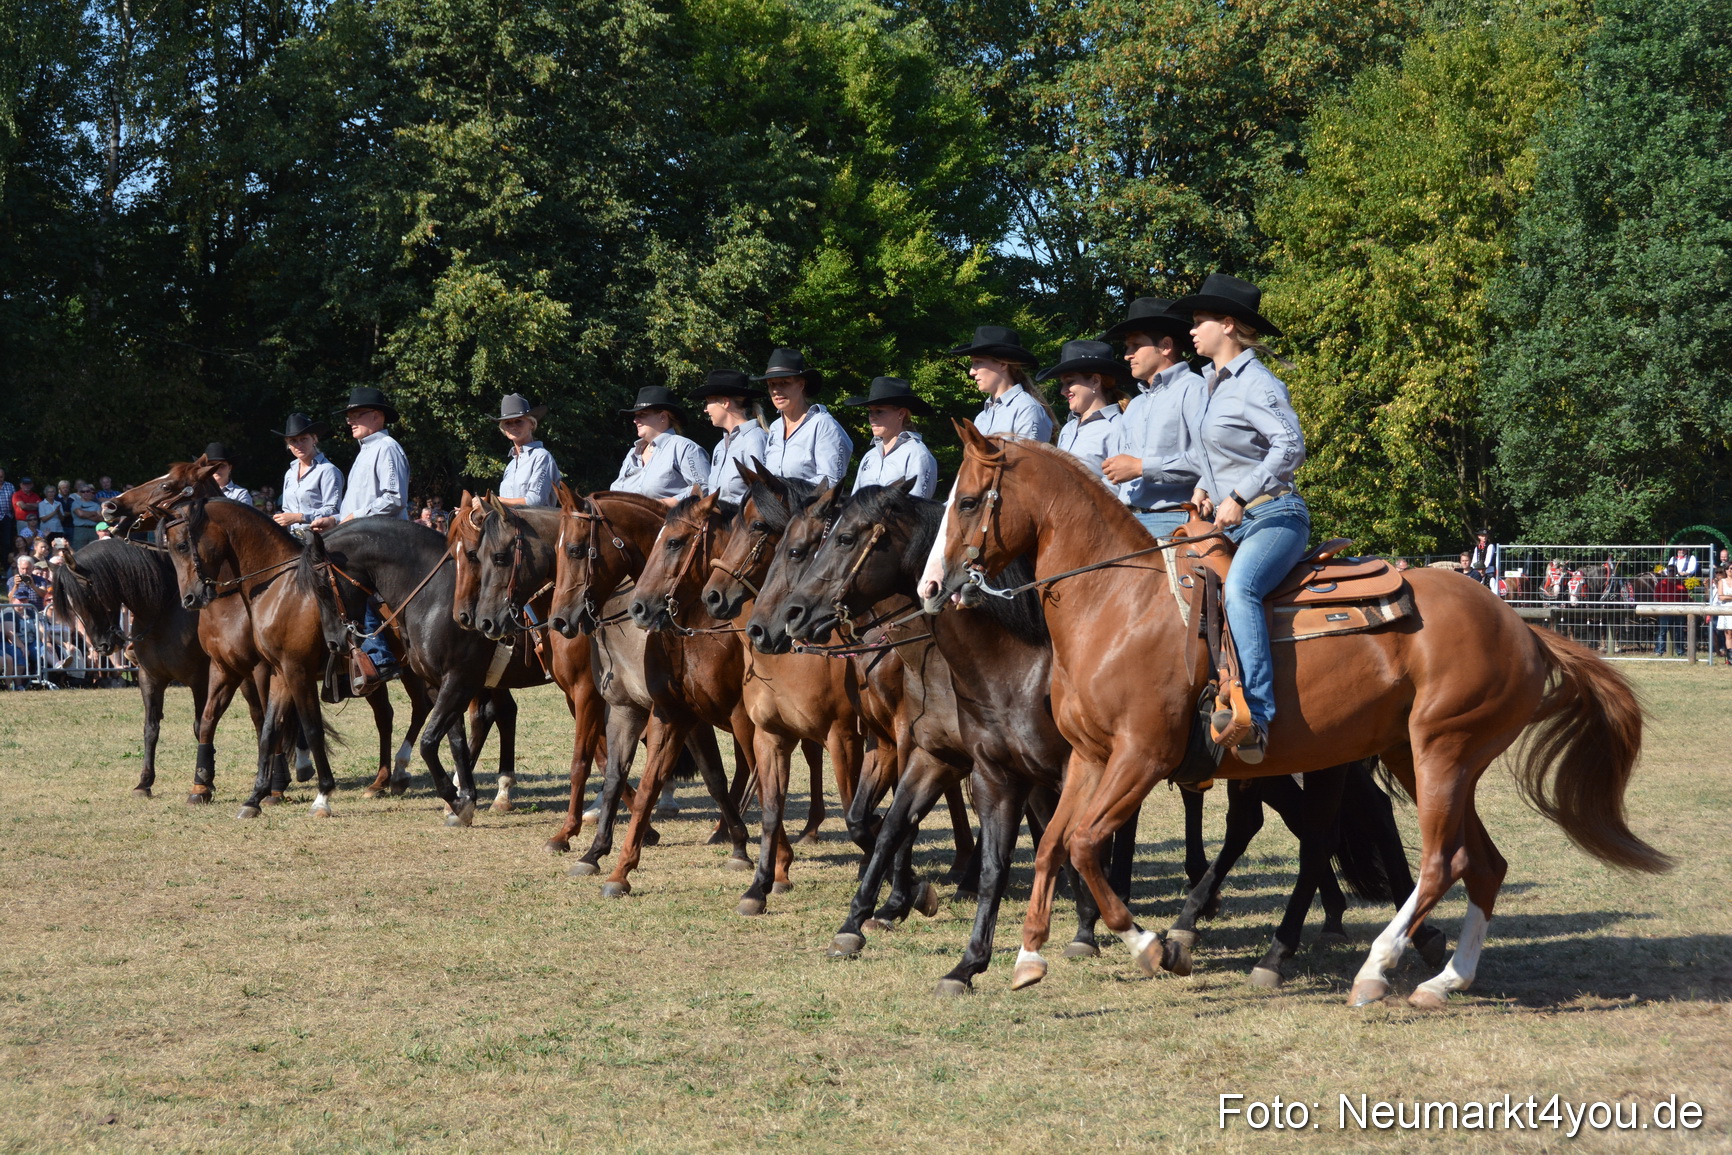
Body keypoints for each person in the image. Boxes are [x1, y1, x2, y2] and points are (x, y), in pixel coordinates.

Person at [1173, 272, 1306, 764]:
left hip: (1274, 516)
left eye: (1199, 321)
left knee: (1240, 590)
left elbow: (1291, 445)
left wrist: (1240, 495)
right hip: (1231, 520)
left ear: (1227, 325)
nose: (1192, 331)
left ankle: (1258, 718)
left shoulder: (1257, 382)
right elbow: (1219, 453)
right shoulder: (1213, 384)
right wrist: (1205, 490)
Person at [314, 387, 412, 689]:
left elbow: (394, 499)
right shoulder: (366, 450)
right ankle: (345, 663)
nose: (350, 421)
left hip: (386, 544)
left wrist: (354, 518)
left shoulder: (386, 446)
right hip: (366, 539)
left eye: (356, 415)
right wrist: (335, 520)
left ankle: (380, 658)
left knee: (348, 587)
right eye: (349, 416)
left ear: (377, 416)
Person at [1098, 297, 1208, 538]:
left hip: (1175, 518)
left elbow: (1209, 460)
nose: (1127, 355)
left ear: (1166, 346)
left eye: (1135, 345)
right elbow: (1116, 475)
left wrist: (1140, 467)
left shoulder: (1193, 388)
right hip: (1128, 519)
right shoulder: (1135, 405)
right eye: (1127, 348)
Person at [750, 349, 853, 489]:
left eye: (784, 383)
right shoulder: (775, 428)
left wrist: (786, 491)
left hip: (809, 509)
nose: (776, 390)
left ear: (801, 384)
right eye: (772, 384)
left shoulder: (823, 424)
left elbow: (830, 482)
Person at [1041, 340, 1128, 481]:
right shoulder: (1068, 429)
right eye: (1063, 384)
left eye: (1069, 382)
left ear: (1095, 381)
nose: (1063, 391)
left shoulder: (1117, 427)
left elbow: (1119, 486)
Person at [949, 325, 1054, 442]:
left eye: (978, 362)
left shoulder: (1027, 410)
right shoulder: (981, 418)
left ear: (1003, 364)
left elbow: (1031, 459)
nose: (972, 371)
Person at [611, 386, 711, 505]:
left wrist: (664, 504)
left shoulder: (684, 447)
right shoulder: (632, 454)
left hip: (670, 521)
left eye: (642, 414)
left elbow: (704, 488)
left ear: (663, 416)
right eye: (635, 416)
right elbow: (614, 493)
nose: (635, 420)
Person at [845, 377, 940, 497]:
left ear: (901, 414)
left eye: (879, 411)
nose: (872, 417)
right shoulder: (870, 457)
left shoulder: (917, 454)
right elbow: (854, 503)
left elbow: (916, 507)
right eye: (870, 412)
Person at [694, 370, 772, 506]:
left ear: (725, 402)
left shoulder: (755, 439)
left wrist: (724, 507)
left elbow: (761, 492)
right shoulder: (720, 446)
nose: (706, 409)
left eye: (708, 402)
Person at [271, 412, 343, 538]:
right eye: (293, 441)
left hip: (322, 540)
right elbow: (287, 509)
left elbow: (334, 511)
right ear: (288, 444)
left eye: (303, 439)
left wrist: (299, 517)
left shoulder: (328, 470)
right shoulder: (290, 473)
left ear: (314, 439)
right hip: (293, 541)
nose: (299, 445)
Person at [494, 394, 561, 506]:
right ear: (504, 429)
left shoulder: (542, 456)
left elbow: (535, 501)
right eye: (508, 423)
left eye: (518, 421)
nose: (513, 426)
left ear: (531, 423)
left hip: (537, 523)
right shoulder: (510, 466)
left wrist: (496, 501)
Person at [69, 482, 102, 548]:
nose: (85, 493)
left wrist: (85, 514)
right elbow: (80, 514)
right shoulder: (75, 503)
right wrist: (94, 513)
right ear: (80, 493)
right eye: (83, 491)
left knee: (94, 550)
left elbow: (100, 518)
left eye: (87, 491)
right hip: (80, 530)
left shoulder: (96, 505)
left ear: (90, 492)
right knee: (79, 550)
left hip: (93, 530)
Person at [10, 477, 38, 543]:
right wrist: (34, 505)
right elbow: (23, 506)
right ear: (21, 485)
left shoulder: (35, 495)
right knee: (23, 542)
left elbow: (40, 506)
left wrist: (27, 504)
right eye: (25, 484)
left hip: (34, 521)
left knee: (36, 541)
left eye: (29, 484)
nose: (27, 486)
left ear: (32, 485)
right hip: (22, 522)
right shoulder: (16, 494)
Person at [1714, 564, 1732, 667]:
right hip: (1726, 609)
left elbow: (1725, 596)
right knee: (1728, 634)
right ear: (1726, 570)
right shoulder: (1722, 582)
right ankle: (1730, 659)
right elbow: (1721, 597)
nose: (1731, 571)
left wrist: (1727, 596)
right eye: (1730, 569)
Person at [0, 468, 13, 559]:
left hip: (7, 516)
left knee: (6, 542)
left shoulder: (10, 486)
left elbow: (15, 501)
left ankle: (5, 565)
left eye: (1, 477)